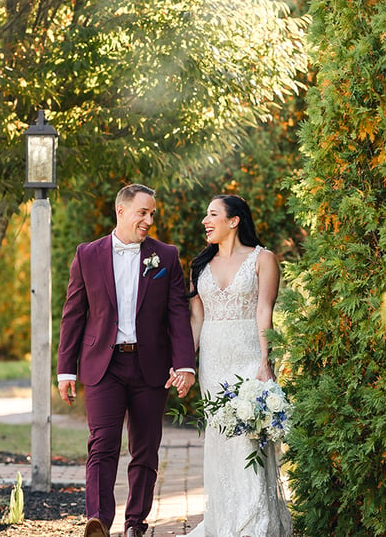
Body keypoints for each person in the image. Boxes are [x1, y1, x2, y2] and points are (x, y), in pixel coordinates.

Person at [57, 183, 196, 537]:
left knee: (145, 449)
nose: (149, 219)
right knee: (101, 444)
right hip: (104, 367)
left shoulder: (165, 256)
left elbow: (178, 314)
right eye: (143, 212)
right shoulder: (87, 254)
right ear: (121, 211)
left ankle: (136, 522)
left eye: (152, 213)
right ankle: (99, 522)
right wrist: (65, 369)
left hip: (150, 367)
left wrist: (184, 364)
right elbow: (73, 314)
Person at [187, 194, 293, 537]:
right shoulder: (199, 266)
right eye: (206, 214)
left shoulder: (264, 259)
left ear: (234, 221)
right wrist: (185, 365)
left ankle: (255, 525)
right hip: (214, 363)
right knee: (221, 439)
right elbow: (196, 320)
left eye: (212, 214)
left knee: (250, 438)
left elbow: (265, 312)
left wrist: (265, 361)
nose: (205, 220)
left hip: (249, 358)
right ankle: (223, 522)